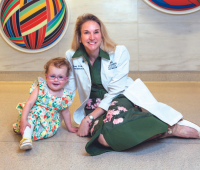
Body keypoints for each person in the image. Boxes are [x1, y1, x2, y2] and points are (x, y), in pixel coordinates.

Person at [65, 13, 200, 156]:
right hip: (93, 107)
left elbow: (115, 91)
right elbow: (68, 89)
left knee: (114, 122)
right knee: (103, 139)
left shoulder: (119, 52)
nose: (92, 37)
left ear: (102, 35)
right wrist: (60, 116)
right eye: (86, 33)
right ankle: (162, 131)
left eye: (96, 32)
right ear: (79, 37)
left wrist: (89, 118)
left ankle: (170, 127)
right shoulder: (71, 56)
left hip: (119, 97)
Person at [13, 57, 78, 150]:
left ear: (66, 79)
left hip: (47, 123)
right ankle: (26, 138)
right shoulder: (41, 88)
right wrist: (23, 119)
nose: (56, 80)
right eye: (52, 76)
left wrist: (70, 127)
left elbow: (66, 112)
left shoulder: (65, 96)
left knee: (37, 119)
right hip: (32, 117)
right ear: (46, 76)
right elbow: (29, 103)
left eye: (60, 77)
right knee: (33, 113)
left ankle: (30, 134)